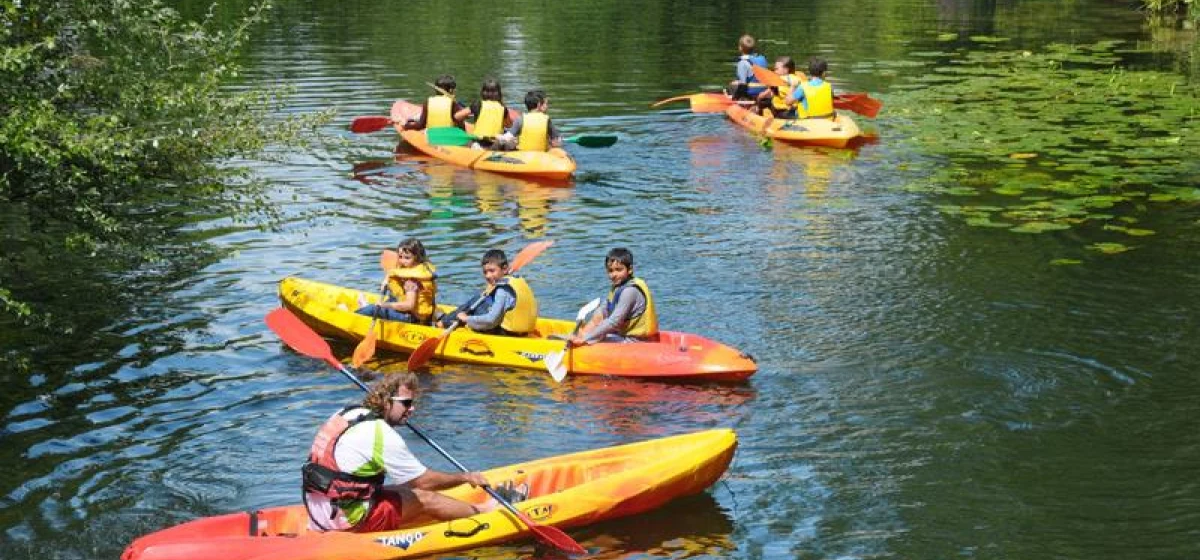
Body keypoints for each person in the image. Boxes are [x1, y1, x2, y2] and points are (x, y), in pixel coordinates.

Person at [301, 372, 495, 533]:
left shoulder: (347, 413)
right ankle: (484, 513)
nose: (412, 409)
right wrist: (464, 477)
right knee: (424, 498)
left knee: (403, 492)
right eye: (406, 403)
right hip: (348, 520)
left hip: (318, 511)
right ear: (386, 402)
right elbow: (423, 482)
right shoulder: (380, 433)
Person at [436, 249, 539, 336]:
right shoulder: (515, 279)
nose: (488, 276)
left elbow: (491, 320)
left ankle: (443, 322)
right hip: (522, 331)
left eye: (492, 271)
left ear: (504, 269)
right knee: (481, 299)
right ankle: (447, 319)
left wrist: (467, 318)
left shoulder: (503, 290)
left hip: (505, 333)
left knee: (476, 301)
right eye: (485, 272)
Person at [568, 247, 658, 346]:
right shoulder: (618, 286)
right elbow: (602, 312)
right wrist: (584, 333)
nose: (614, 275)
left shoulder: (630, 291)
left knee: (593, 340)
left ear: (630, 270)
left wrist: (585, 339)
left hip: (636, 342)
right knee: (599, 315)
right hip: (624, 336)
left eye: (619, 270)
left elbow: (614, 322)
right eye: (610, 270)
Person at [355, 238, 437, 325]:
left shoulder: (412, 281)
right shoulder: (424, 270)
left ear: (417, 257)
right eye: (400, 257)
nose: (403, 261)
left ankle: (355, 314)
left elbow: (409, 305)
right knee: (392, 297)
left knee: (373, 308)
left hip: (411, 319)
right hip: (424, 318)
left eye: (407, 258)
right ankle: (365, 307)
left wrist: (384, 305)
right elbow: (393, 273)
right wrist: (387, 279)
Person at [453, 78, 513, 148]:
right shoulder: (503, 108)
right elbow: (509, 125)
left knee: (465, 135)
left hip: (478, 141)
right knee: (508, 137)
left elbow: (457, 116)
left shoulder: (478, 104)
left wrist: (467, 116)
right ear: (499, 94)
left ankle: (475, 146)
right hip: (494, 143)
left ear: (482, 93)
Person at [496, 90, 562, 152]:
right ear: (539, 104)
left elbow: (507, 137)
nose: (547, 106)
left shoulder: (520, 119)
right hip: (541, 155)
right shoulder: (546, 120)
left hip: (523, 155)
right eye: (546, 104)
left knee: (510, 143)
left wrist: (499, 137)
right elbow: (557, 142)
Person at [726, 34, 769, 100]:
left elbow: (743, 85)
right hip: (764, 90)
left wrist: (734, 98)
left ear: (740, 48)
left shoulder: (742, 63)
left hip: (752, 92)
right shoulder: (762, 58)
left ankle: (741, 100)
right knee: (736, 82)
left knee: (732, 85)